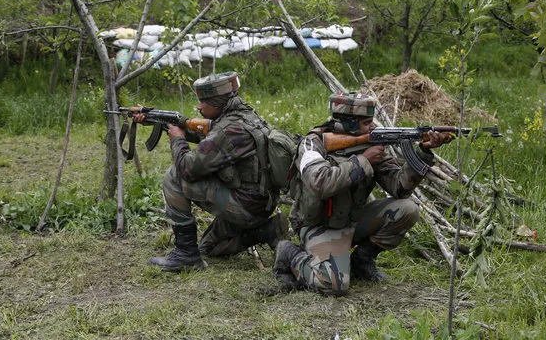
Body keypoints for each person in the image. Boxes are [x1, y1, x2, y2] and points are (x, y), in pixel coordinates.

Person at [272, 92, 453, 295]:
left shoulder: (370, 142)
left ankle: (362, 260)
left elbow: (399, 188)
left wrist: (423, 152)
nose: (372, 127)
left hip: (353, 221)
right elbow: (319, 183)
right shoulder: (313, 144)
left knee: (408, 209)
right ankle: (289, 253)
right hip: (318, 225)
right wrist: (364, 161)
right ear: (349, 122)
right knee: (332, 285)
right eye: (367, 122)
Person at [134, 71, 288, 272]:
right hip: (258, 203)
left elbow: (187, 168)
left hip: (245, 208)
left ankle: (186, 255)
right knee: (209, 247)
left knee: (176, 176)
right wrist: (160, 121)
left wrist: (178, 139)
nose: (198, 106)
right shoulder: (243, 115)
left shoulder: (229, 130)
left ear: (216, 103)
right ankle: (267, 230)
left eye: (202, 102)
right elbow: (212, 141)